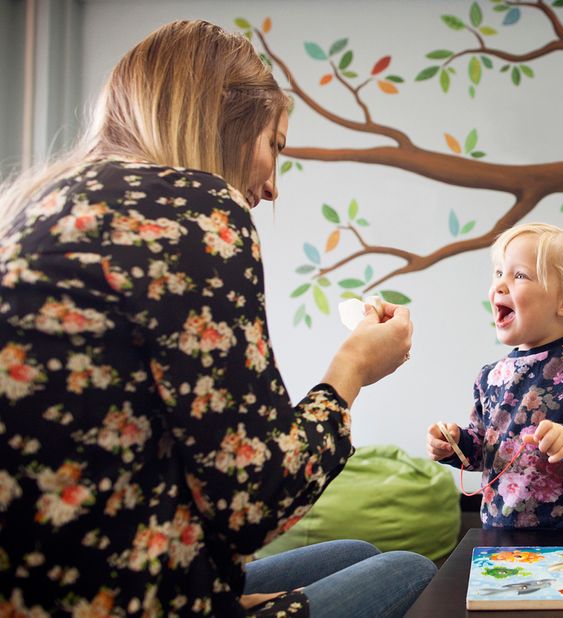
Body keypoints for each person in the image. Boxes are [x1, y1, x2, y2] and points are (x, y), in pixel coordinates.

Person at [0, 20, 434, 617]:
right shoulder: (198, 206)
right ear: (225, 122)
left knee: (353, 550)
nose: (274, 186)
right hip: (119, 598)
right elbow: (256, 504)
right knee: (408, 569)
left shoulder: (41, 205)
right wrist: (353, 368)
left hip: (59, 578)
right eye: (275, 145)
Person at [426, 223, 563, 529]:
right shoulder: (490, 377)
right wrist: (457, 445)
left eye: (519, 276)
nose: (501, 285)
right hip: (499, 532)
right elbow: (485, 452)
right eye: (498, 273)